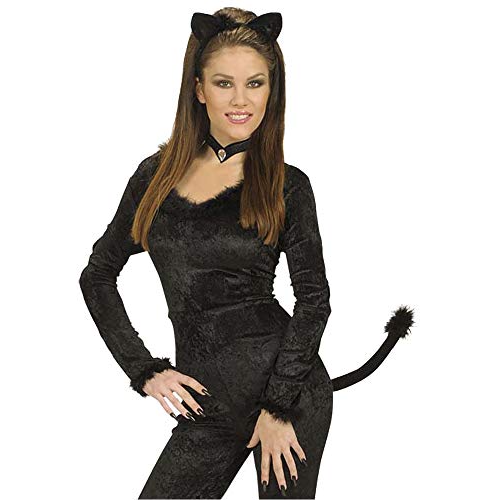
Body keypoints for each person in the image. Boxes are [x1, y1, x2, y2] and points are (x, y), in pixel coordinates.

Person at [79, 8, 414, 499]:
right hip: (206, 406)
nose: (241, 101)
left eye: (255, 84)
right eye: (224, 83)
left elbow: (313, 300)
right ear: (199, 89)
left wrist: (278, 408)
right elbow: (97, 275)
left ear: (271, 90)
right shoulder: (153, 179)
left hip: (289, 399)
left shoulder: (287, 185)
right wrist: (143, 368)